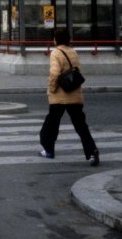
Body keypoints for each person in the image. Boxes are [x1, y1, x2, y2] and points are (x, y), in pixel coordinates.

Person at [39, 28, 99, 165]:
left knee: (51, 125)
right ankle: (91, 151)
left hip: (59, 97)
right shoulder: (73, 52)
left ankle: (49, 150)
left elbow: (54, 73)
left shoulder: (55, 53)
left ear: (56, 39)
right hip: (75, 95)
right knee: (81, 126)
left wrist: (51, 89)